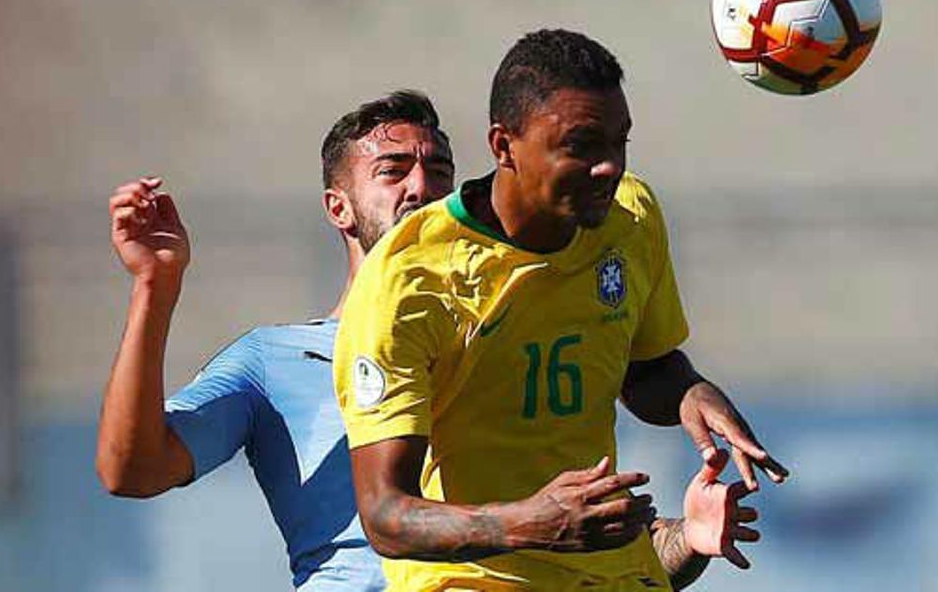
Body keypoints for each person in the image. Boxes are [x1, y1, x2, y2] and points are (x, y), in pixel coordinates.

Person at [98, 90, 781, 591]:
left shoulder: (509, 339)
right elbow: (131, 470)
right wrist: (155, 286)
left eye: (438, 169)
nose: (421, 186)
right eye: (392, 170)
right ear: (338, 207)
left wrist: (686, 542)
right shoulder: (274, 363)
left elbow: (565, 549)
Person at [333, 31, 787, 591]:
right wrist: (526, 523)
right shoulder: (409, 280)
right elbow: (385, 514)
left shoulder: (632, 219)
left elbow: (642, 368)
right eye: (581, 146)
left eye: (619, 143)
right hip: (476, 580)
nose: (608, 167)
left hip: (611, 570)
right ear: (504, 146)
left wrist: (688, 391)